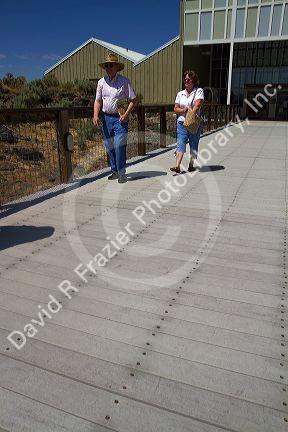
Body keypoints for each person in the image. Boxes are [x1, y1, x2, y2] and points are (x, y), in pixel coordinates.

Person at [93, 53, 137, 183]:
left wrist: (126, 114)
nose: (109, 67)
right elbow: (98, 101)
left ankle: (122, 172)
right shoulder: (101, 82)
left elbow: (133, 100)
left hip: (120, 119)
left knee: (119, 146)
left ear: (117, 67)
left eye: (111, 65)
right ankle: (115, 171)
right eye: (107, 65)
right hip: (106, 119)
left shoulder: (124, 81)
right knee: (110, 146)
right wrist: (95, 115)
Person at [170, 70, 204, 174]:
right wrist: (183, 111)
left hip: (194, 123)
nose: (186, 81)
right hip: (181, 123)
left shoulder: (198, 91)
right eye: (185, 79)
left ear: (193, 81)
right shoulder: (180, 94)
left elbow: (198, 104)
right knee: (181, 143)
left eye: (188, 79)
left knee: (194, 144)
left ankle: (191, 164)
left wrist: (191, 116)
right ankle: (177, 165)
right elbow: (175, 108)